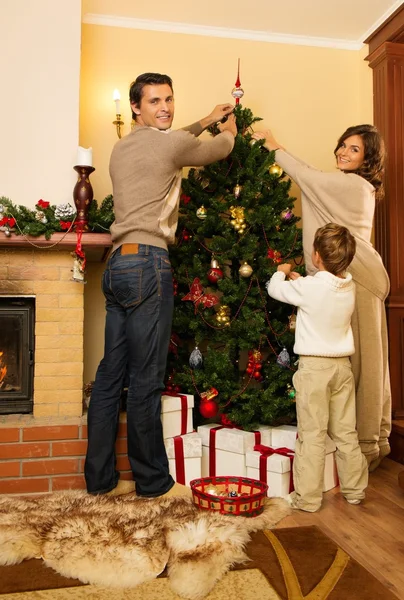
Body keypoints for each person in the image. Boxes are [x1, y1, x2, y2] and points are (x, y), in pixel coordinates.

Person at [85, 72, 237, 497]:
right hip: (149, 264)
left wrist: (204, 118)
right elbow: (216, 150)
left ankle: (99, 482)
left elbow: (172, 141)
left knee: (110, 376)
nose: (165, 107)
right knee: (147, 379)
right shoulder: (168, 144)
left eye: (169, 99)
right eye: (155, 101)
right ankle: (153, 484)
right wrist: (227, 128)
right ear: (136, 107)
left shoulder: (123, 146)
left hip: (116, 268)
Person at [252, 125, 391, 472]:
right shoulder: (347, 184)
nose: (343, 152)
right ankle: (361, 446)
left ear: (368, 159)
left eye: (354, 149)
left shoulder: (355, 185)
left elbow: (306, 176)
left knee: (363, 367)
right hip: (347, 279)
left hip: (359, 278)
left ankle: (366, 447)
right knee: (358, 366)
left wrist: (273, 146)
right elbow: (312, 178)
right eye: (342, 145)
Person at [267, 223, 368, 512]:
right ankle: (355, 490)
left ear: (317, 256)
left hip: (314, 369)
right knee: (346, 432)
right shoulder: (349, 286)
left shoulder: (309, 287)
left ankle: (307, 499)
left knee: (311, 435)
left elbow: (276, 289)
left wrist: (283, 271)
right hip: (342, 368)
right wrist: (303, 281)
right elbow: (322, 291)